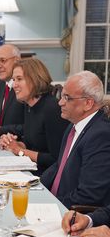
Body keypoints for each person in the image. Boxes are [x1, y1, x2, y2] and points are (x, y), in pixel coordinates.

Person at [41, 71, 110, 208]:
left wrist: (52, 204)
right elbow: (60, 165)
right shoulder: (74, 125)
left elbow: (89, 195)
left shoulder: (101, 135)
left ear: (88, 103)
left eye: (67, 98)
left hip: (71, 213)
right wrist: (33, 185)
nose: (60, 102)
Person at [0, 58, 69, 175]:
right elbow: (32, 143)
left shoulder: (52, 109)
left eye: (19, 79)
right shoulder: (29, 105)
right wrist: (11, 143)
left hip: (46, 178)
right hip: (31, 170)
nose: (14, 85)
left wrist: (20, 151)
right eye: (13, 80)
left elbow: (56, 159)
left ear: (35, 79)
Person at [0, 44, 24, 137]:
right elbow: (2, 115)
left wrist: (1, 130)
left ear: (17, 61)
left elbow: (30, 127)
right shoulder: (3, 83)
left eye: (2, 61)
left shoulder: (25, 87)